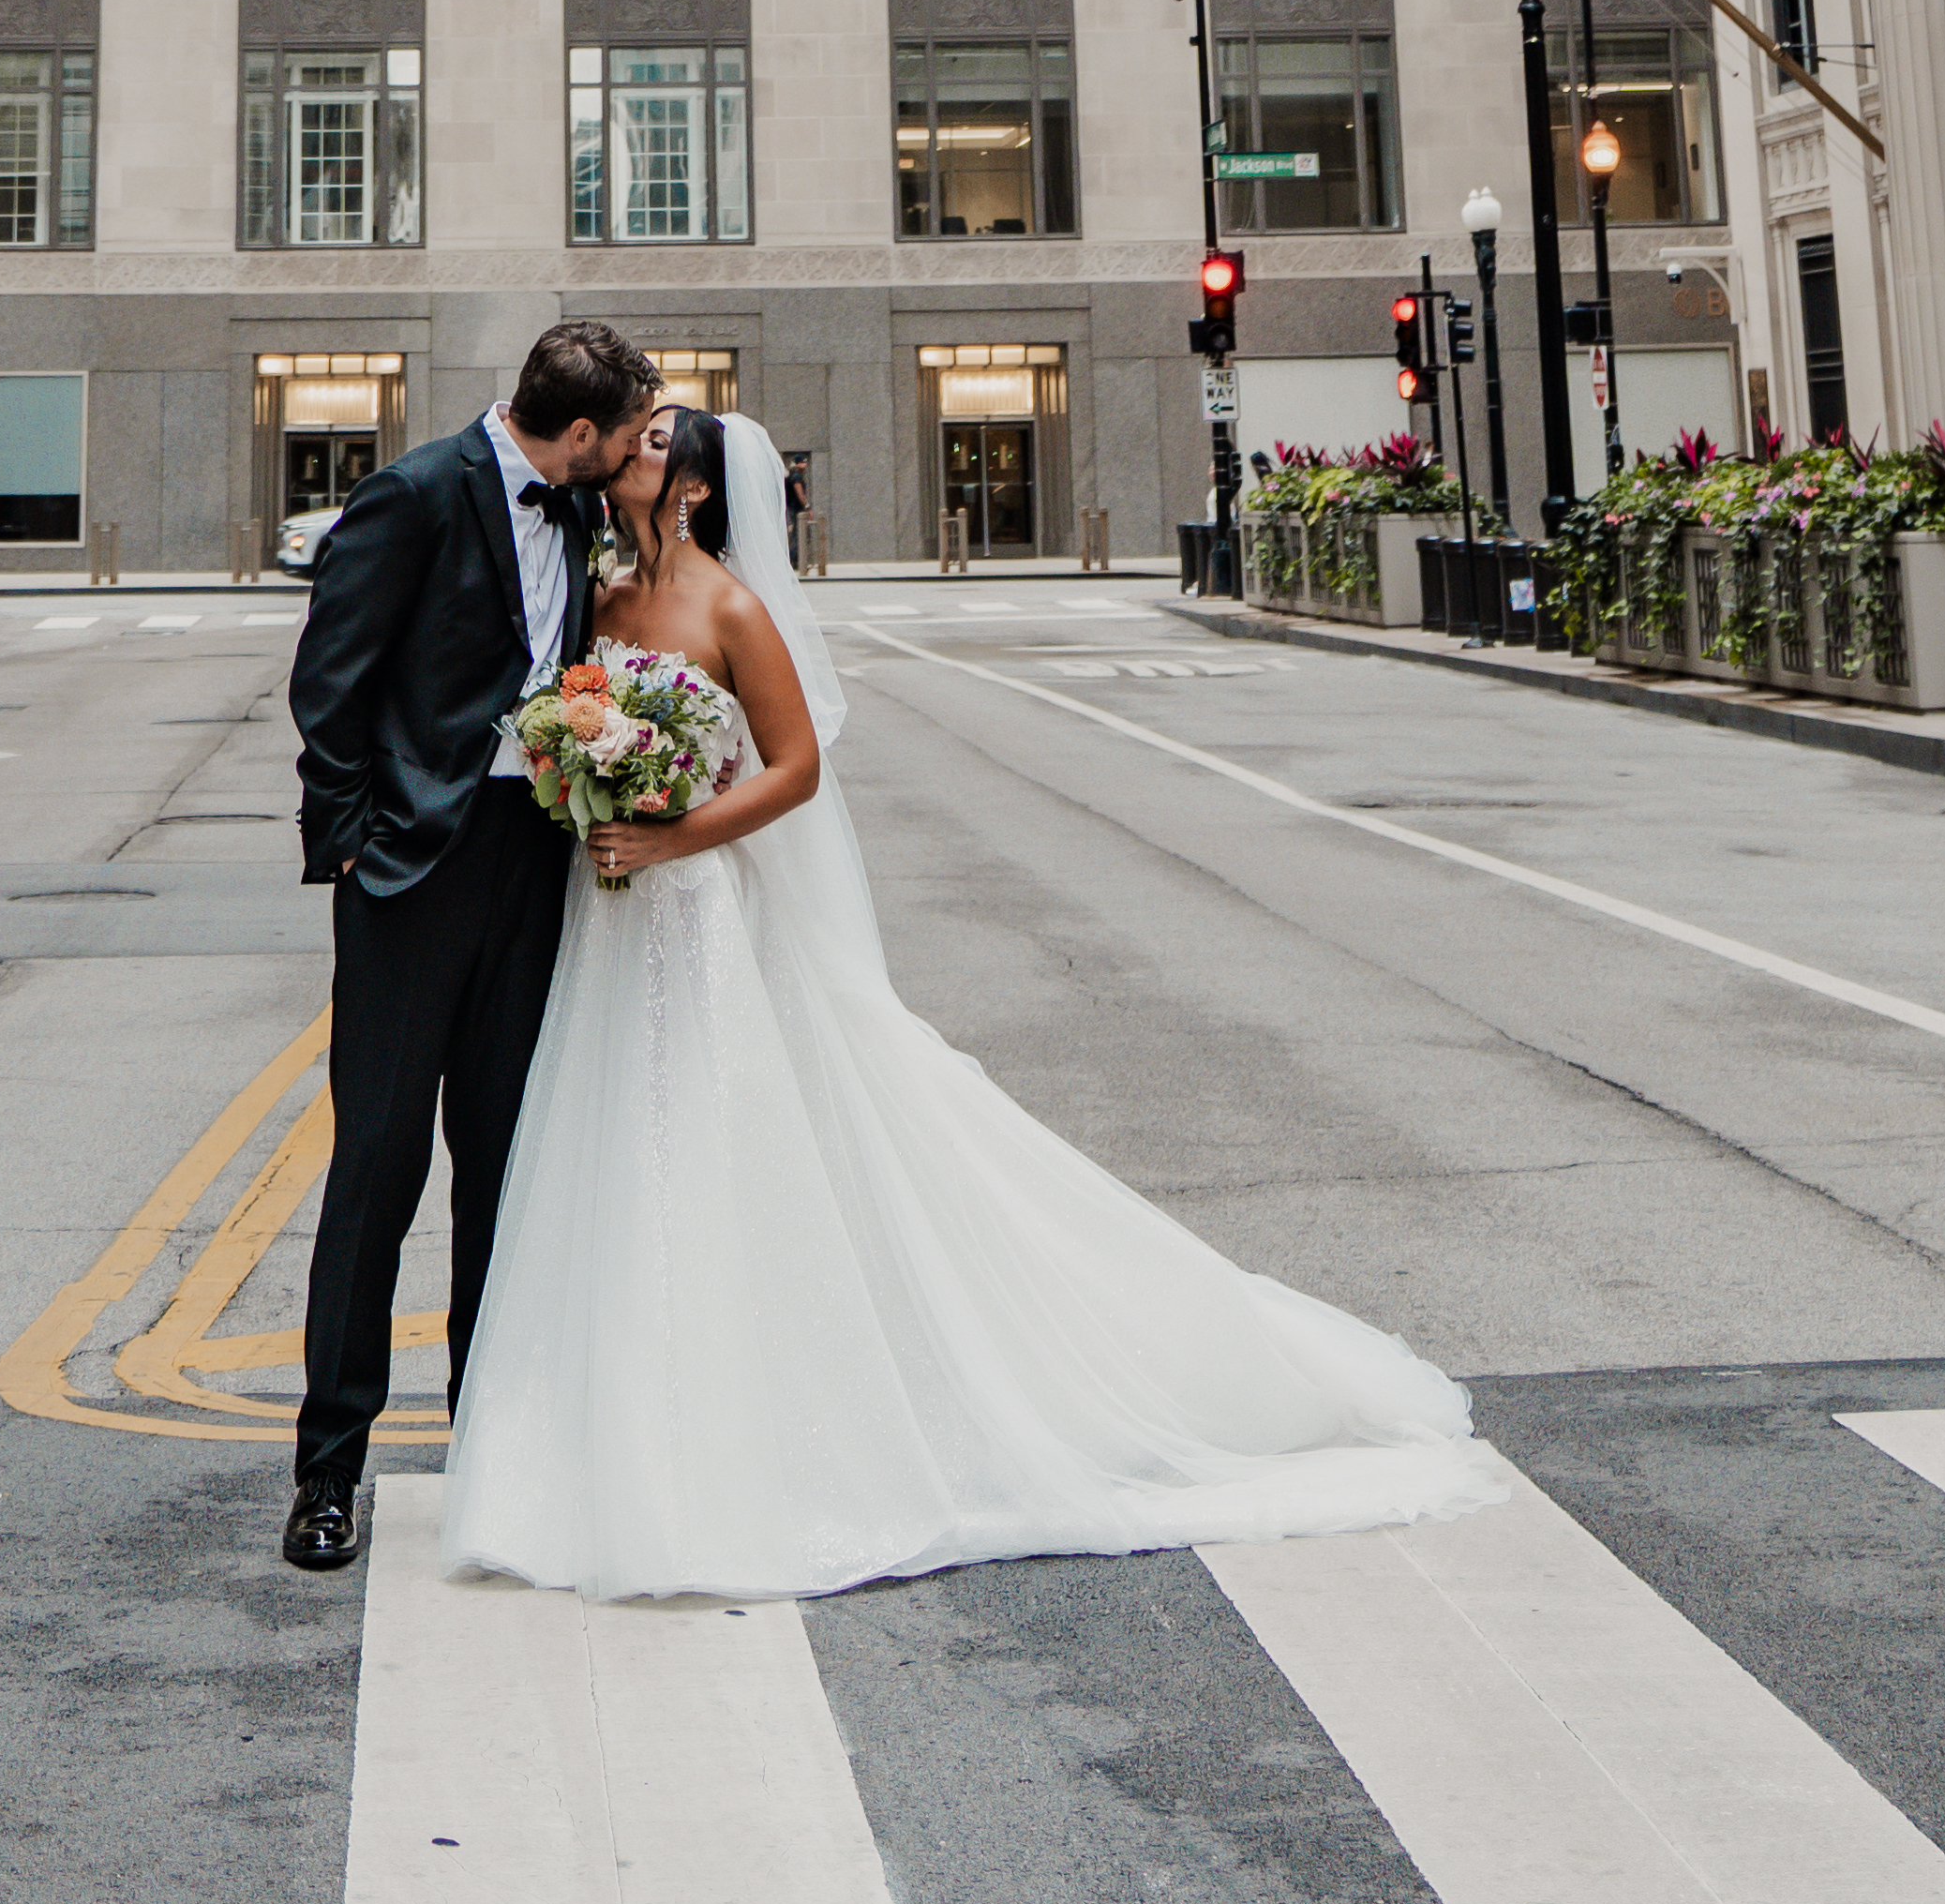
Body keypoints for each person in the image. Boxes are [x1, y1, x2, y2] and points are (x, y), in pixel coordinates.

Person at [437, 403, 1497, 1601]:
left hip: (700, 913)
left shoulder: (730, 607)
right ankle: (601, 1451)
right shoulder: (604, 594)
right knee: (614, 1160)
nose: (630, 444)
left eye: (653, 438)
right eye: (631, 433)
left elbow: (794, 771)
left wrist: (672, 834)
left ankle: (741, 1449)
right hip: (613, 924)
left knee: (718, 1151)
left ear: (686, 487)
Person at [279, 315, 657, 1570]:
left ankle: (489, 1454)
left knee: (505, 1174)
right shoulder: (413, 495)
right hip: (407, 872)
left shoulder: (585, 511)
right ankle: (329, 1474)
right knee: (377, 1176)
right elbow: (330, 678)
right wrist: (346, 841)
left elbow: (568, 663)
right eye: (626, 437)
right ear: (585, 432)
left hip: (531, 858)